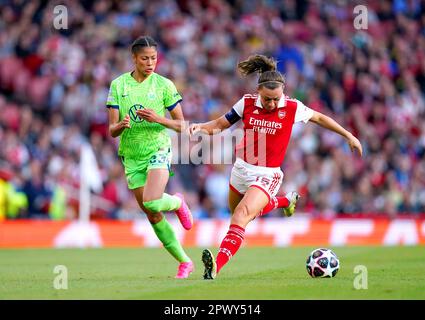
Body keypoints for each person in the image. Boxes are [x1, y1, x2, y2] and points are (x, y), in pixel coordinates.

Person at [188, 54, 363, 280]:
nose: (272, 103)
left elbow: (319, 118)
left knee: (241, 215)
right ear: (259, 91)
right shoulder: (247, 103)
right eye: (268, 99)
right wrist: (199, 128)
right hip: (240, 169)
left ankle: (215, 267)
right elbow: (221, 124)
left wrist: (348, 135)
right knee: (239, 215)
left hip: (267, 174)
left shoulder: (291, 107)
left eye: (276, 99)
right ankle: (285, 200)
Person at [106, 36, 194, 279]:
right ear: (134, 58)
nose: (150, 62)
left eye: (154, 58)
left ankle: (177, 203)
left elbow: (181, 125)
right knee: (152, 213)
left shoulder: (165, 85)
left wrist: (158, 119)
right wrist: (121, 125)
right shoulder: (118, 86)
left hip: (158, 149)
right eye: (145, 58)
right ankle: (185, 262)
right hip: (131, 157)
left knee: (153, 201)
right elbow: (111, 130)